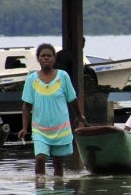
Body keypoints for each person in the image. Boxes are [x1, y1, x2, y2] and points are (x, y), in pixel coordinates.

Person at [18, 43, 86, 178]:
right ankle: (40, 188)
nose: (46, 58)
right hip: (40, 129)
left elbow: (72, 99)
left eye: (49, 56)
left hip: (60, 128)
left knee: (58, 163)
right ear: (38, 58)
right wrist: (24, 128)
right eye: (43, 56)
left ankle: (59, 191)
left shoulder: (63, 76)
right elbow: (26, 106)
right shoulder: (32, 79)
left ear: (54, 59)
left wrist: (79, 116)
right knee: (40, 158)